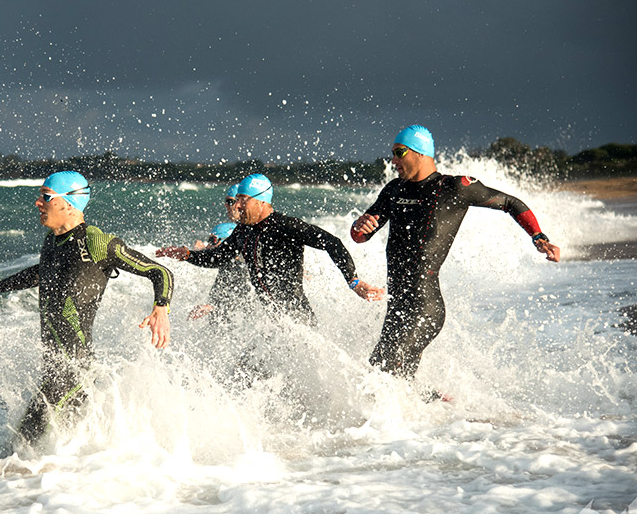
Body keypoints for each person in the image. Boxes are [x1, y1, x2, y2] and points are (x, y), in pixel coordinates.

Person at [0, 171, 174, 447]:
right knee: (55, 448)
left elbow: (159, 271)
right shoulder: (52, 242)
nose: (38, 203)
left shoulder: (98, 243)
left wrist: (160, 309)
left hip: (73, 369)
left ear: (68, 204)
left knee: (23, 445)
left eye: (45, 196)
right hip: (55, 367)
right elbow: (42, 272)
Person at [350, 125, 561, 380]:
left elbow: (510, 203)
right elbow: (361, 235)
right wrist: (358, 226)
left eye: (399, 152)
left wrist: (539, 237)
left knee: (382, 370)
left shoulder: (454, 187)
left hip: (424, 308)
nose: (393, 160)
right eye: (393, 153)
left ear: (420, 153)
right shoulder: (394, 190)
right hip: (397, 307)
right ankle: (443, 409)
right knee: (398, 377)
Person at [158, 173, 383, 326]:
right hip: (275, 325)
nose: (237, 206)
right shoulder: (242, 232)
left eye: (243, 200)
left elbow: (332, 243)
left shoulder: (286, 226)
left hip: (298, 322)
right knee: (245, 376)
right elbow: (217, 257)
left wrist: (353, 281)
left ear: (261, 202)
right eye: (235, 200)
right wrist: (187, 255)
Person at [185, 222, 252, 322]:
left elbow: (239, 303)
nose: (208, 245)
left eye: (212, 240)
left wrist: (211, 307)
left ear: (228, 242)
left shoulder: (235, 268)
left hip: (236, 324)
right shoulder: (236, 263)